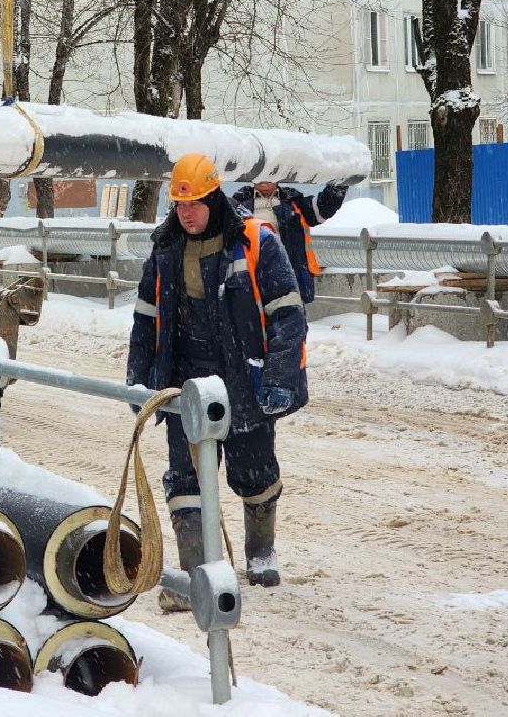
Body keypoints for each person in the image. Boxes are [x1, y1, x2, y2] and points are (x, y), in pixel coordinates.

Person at [126, 153, 309, 610]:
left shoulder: (254, 241)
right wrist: (138, 377)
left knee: (254, 472)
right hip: (183, 382)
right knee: (185, 478)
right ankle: (195, 572)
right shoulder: (166, 247)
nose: (186, 213)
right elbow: (146, 317)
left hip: (242, 379)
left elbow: (288, 315)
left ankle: (260, 552)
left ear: (213, 198)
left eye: (194, 204)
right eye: (179, 205)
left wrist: (279, 377)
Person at [233, 179, 347, 304]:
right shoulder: (238, 205)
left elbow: (322, 209)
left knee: (290, 314)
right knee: (251, 314)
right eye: (259, 172)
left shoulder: (293, 202)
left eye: (270, 172)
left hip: (289, 277)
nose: (264, 178)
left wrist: (338, 186)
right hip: (250, 278)